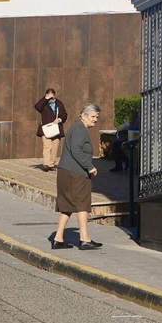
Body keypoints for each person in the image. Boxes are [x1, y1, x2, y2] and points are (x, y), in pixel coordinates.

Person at [50, 103, 103, 251]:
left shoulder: (76, 128)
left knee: (67, 206)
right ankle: (84, 239)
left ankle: (58, 239)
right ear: (84, 116)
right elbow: (76, 150)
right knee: (82, 204)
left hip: (66, 171)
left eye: (97, 117)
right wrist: (90, 166)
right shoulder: (80, 129)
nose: (95, 120)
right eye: (93, 116)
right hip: (76, 173)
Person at [33, 87, 69, 173]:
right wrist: (45, 99)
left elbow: (64, 114)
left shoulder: (59, 104)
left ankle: (51, 164)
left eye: (52, 96)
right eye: (49, 96)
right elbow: (37, 107)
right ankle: (46, 164)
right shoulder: (44, 104)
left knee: (54, 147)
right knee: (47, 146)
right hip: (46, 129)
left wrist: (59, 119)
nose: (51, 98)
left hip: (56, 129)